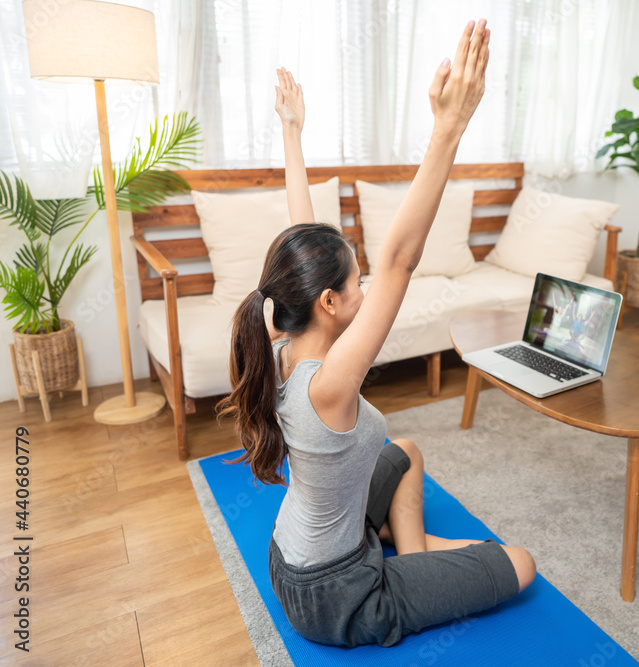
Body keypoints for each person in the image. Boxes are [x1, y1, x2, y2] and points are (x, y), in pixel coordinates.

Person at [217, 19, 535, 648]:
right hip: (334, 592)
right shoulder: (329, 385)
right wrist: (449, 128)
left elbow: (300, 238)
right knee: (520, 563)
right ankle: (402, 569)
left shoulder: (283, 338)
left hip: (292, 552)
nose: (367, 291)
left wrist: (292, 132)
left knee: (409, 452)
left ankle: (408, 552)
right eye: (356, 284)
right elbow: (400, 262)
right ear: (330, 303)